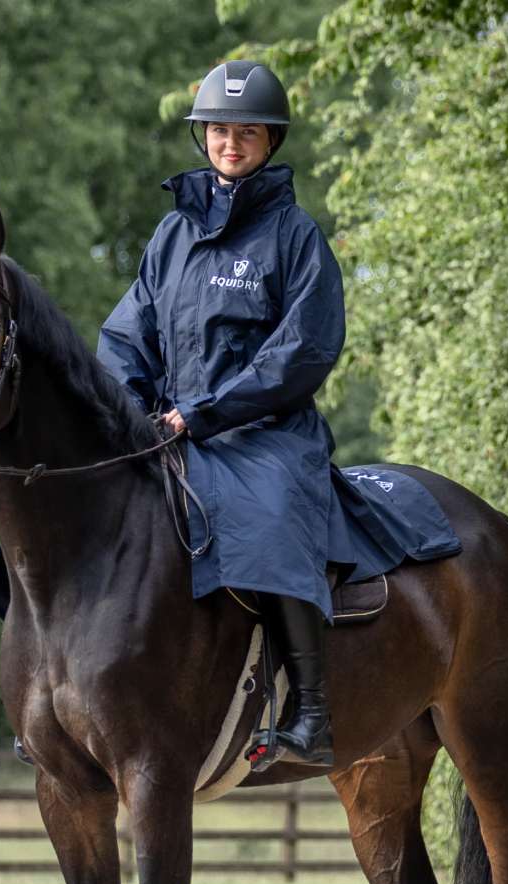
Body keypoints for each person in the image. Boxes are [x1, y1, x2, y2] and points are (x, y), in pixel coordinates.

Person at [97, 60, 345, 769]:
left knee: (268, 515)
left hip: (262, 433)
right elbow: (125, 335)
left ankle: (313, 708)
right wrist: (132, 410)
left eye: (245, 131)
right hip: (167, 427)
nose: (229, 143)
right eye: (217, 131)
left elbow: (303, 352)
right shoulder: (170, 236)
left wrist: (201, 413)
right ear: (202, 137)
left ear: (270, 139)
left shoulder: (297, 238)